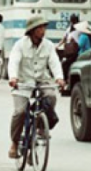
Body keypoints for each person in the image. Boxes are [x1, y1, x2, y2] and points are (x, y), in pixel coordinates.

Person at [7, 15, 64, 159]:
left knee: (51, 96)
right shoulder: (20, 45)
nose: (43, 30)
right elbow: (13, 61)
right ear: (32, 31)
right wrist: (13, 77)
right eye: (40, 28)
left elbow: (54, 62)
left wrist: (59, 78)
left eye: (44, 27)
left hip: (42, 80)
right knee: (20, 112)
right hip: (23, 82)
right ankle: (14, 142)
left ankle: (40, 127)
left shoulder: (49, 45)